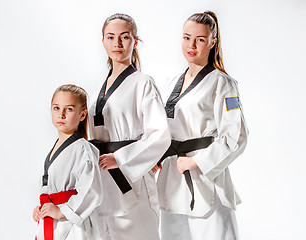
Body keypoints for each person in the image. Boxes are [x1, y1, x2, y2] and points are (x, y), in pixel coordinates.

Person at [156, 11, 248, 240]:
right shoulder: (170, 82)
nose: (191, 45)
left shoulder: (223, 83)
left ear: (212, 42)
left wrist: (197, 161)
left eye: (199, 39)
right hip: (172, 177)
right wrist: (156, 156)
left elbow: (236, 136)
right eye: (186, 38)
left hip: (205, 178)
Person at [88, 13, 170, 240]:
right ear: (103, 41)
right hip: (103, 183)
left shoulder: (143, 82)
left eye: (124, 37)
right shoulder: (97, 88)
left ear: (135, 42)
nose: (117, 43)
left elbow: (160, 135)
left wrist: (121, 158)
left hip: (130, 180)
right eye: (110, 37)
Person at [33, 84, 103, 240]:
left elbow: (92, 190)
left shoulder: (84, 149)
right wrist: (40, 209)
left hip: (73, 225)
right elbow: (50, 187)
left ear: (82, 114)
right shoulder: (55, 148)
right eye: (56, 108)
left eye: (69, 109)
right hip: (54, 219)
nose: (61, 114)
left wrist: (62, 211)